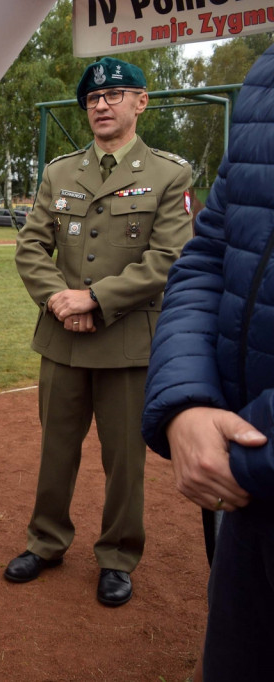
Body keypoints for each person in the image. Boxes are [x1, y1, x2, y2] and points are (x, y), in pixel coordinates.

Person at [5, 57, 193, 607]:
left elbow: (169, 257)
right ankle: (46, 541)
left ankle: (117, 556)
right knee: (56, 450)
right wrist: (61, 302)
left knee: (124, 461)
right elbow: (32, 247)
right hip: (63, 340)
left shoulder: (167, 173)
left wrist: (95, 298)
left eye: (115, 96)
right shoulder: (61, 172)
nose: (103, 105)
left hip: (128, 343)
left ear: (141, 103)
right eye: (93, 99)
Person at [142, 46, 274, 680]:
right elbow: (208, 254)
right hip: (247, 497)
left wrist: (248, 454)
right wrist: (188, 402)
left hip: (249, 460)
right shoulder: (267, 76)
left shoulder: (162, 171)